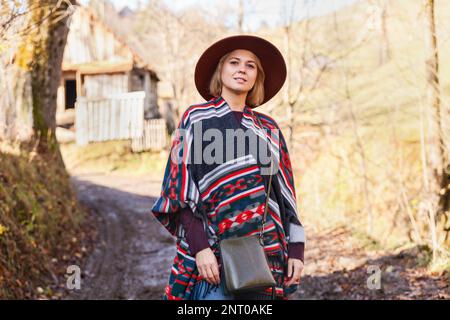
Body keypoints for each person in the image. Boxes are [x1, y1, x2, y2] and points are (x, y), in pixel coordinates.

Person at [151, 35, 306, 300]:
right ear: (220, 70)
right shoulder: (196, 118)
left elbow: (286, 196)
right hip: (213, 255)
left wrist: (296, 250)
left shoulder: (268, 129)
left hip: (265, 254)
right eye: (234, 62)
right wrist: (201, 249)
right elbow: (179, 192)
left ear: (257, 76)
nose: (241, 69)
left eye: (250, 65)